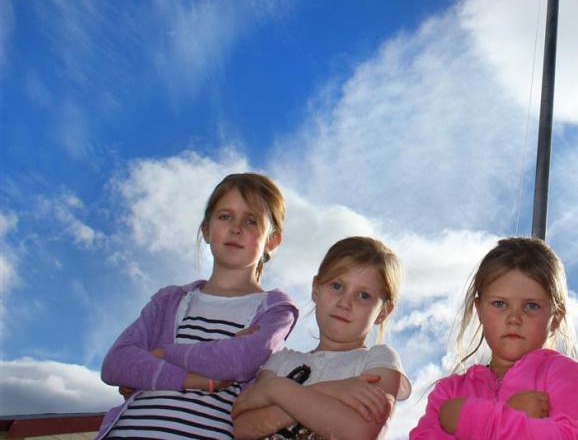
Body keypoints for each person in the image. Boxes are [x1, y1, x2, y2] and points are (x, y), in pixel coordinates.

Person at [97, 172, 300, 440]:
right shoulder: (170, 300)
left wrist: (159, 355)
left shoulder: (275, 309)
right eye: (225, 216)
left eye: (251, 221)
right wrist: (198, 380)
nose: (236, 227)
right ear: (206, 229)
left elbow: (238, 361)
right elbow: (116, 363)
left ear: (272, 241)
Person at [410, 236, 578, 439]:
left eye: (531, 306)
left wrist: (468, 418)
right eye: (499, 304)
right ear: (479, 310)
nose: (514, 318)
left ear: (555, 318)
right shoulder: (449, 391)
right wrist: (508, 412)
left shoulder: (566, 374)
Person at [232, 236, 411, 440]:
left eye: (363, 296)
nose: (345, 303)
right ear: (316, 288)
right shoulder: (281, 359)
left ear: (383, 312)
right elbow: (242, 427)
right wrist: (332, 391)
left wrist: (276, 390)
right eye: (336, 286)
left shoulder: (379, 359)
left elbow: (359, 432)